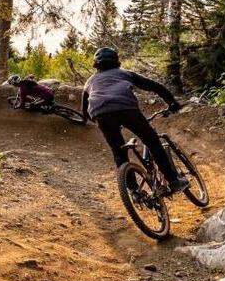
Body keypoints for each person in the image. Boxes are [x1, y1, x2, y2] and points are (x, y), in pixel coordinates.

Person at [81, 47, 189, 193]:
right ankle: (174, 181)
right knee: (152, 141)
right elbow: (155, 87)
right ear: (116, 61)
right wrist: (172, 103)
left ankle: (133, 191)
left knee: (119, 152)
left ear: (96, 63)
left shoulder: (89, 82)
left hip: (101, 115)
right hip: (127, 109)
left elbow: (84, 111)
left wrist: (102, 121)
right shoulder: (124, 73)